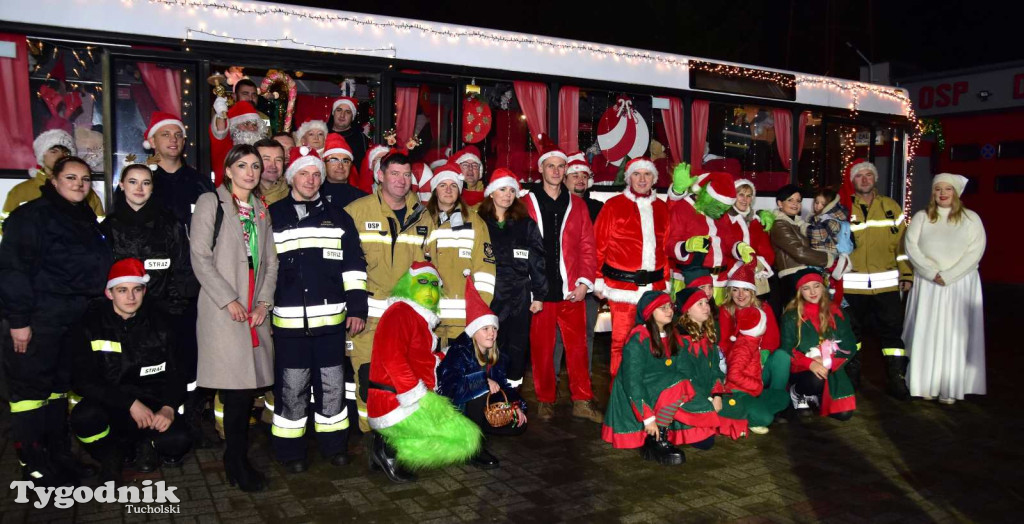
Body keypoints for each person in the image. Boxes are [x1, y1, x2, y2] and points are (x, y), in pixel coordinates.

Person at [1, 156, 112, 485]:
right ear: (53, 180)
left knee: (57, 390)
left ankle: (59, 457)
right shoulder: (31, 216)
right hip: (38, 319)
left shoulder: (82, 216)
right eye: (71, 177)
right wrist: (19, 321)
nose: (79, 184)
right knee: (30, 395)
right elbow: (13, 271)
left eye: (85, 179)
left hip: (71, 319)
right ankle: (35, 466)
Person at [268, 146, 368, 471]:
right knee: (292, 389)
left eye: (316, 174)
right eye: (303, 173)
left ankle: (334, 446)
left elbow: (354, 267)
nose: (310, 180)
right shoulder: (272, 216)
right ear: (291, 177)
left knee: (332, 387)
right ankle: (290, 452)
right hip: (288, 325)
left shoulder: (339, 218)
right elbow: (263, 269)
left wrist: (357, 308)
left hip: (331, 324)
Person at [190, 144, 278, 492]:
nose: (250, 172)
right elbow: (199, 257)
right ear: (228, 170)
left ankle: (236, 458)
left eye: (256, 166)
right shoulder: (211, 202)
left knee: (245, 392)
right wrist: (229, 300)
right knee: (237, 391)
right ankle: (236, 461)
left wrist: (264, 303)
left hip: (254, 310)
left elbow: (271, 262)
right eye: (242, 165)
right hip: (223, 310)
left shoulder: (261, 208)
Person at [69, 259, 191, 482]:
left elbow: (178, 372)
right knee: (84, 418)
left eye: (137, 289)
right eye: (122, 290)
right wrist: (129, 403)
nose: (131, 297)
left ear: (144, 291)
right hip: (110, 402)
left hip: (152, 403)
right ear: (109, 293)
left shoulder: (162, 323)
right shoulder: (91, 325)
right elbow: (83, 380)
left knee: (178, 441)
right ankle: (110, 454)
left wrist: (168, 407)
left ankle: (146, 444)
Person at [367, 263, 482, 483]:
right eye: (422, 282)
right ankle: (390, 449)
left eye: (434, 284)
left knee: (465, 435)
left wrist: (448, 355)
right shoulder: (400, 312)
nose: (429, 289)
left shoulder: (416, 317)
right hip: (394, 402)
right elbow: (392, 358)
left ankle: (382, 444)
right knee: (465, 438)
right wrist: (420, 397)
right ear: (407, 285)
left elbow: (420, 360)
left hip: (401, 398)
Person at [344, 152, 433, 432]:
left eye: (406, 175)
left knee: (403, 379)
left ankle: (398, 437)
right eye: (394, 173)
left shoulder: (423, 216)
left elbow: (430, 268)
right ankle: (369, 435)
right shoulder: (357, 211)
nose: (401, 180)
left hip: (405, 319)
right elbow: (343, 264)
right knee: (367, 379)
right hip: (367, 315)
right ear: (380, 175)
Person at [523, 142, 603, 424]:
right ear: (541, 169)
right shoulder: (525, 203)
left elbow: (587, 246)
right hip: (540, 293)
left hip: (571, 290)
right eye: (551, 166)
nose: (556, 171)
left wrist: (584, 283)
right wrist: (528, 286)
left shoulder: (577, 205)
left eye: (560, 167)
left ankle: (582, 400)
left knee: (578, 348)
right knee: (542, 350)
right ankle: (545, 400)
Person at [903, 174, 987, 404]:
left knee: (954, 335)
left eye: (947, 189)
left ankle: (950, 386)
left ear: (956, 192)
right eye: (938, 189)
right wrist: (931, 273)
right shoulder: (921, 217)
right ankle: (925, 384)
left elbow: (975, 251)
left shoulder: (971, 219)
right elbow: (911, 247)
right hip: (929, 285)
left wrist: (949, 275)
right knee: (926, 332)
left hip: (959, 284)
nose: (942, 193)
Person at [436, 274, 527, 470]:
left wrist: (516, 406)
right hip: (455, 411)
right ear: (474, 331)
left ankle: (480, 429)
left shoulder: (494, 355)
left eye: (494, 328)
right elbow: (449, 387)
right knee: (482, 389)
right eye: (485, 329)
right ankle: (473, 448)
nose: (491, 333)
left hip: (478, 409)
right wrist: (483, 381)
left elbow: (502, 385)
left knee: (517, 423)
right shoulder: (459, 352)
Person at [843, 159, 913, 399]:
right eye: (859, 175)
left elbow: (902, 245)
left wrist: (906, 273)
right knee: (852, 334)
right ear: (852, 180)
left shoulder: (891, 206)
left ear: (875, 179)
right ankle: (851, 380)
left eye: (869, 175)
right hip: (852, 286)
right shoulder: (843, 207)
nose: (864, 179)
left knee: (892, 334)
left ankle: (897, 380)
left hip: (887, 285)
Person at [593, 158, 669, 377]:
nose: (642, 179)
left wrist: (665, 282)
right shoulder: (613, 206)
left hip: (654, 289)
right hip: (622, 289)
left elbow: (664, 250)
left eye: (647, 174)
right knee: (621, 342)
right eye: (637, 174)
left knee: (654, 341)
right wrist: (597, 279)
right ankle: (620, 390)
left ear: (654, 178)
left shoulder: (662, 208)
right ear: (629, 178)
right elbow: (598, 245)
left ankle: (648, 387)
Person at [600, 291, 688, 465]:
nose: (669, 311)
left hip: (658, 388)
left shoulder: (672, 335)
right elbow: (632, 382)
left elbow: (682, 368)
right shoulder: (638, 339)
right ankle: (656, 437)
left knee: (683, 384)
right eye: (662, 308)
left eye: (670, 306)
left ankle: (664, 429)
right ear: (649, 313)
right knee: (679, 382)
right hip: (636, 395)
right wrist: (648, 417)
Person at [477, 169, 546, 389]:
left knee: (518, 344)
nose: (507, 195)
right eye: (502, 189)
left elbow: (537, 259)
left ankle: (512, 393)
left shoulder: (525, 224)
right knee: (489, 342)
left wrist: (539, 295)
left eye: (512, 190)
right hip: (490, 294)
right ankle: (487, 390)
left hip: (519, 294)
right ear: (491, 193)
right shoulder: (479, 222)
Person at [423, 162, 496, 345]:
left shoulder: (475, 222)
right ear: (435, 190)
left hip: (464, 320)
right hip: (429, 317)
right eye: (443, 185)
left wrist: (480, 310)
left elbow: (485, 270)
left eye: (453, 185)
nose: (448, 190)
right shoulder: (422, 221)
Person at [666, 164, 753, 305]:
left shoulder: (721, 214)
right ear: (708, 197)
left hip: (720, 281)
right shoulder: (683, 208)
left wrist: (739, 248)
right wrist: (686, 246)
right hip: (691, 280)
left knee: (717, 317)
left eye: (725, 209)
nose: (721, 212)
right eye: (719, 207)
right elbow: (668, 243)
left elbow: (728, 241)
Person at [779, 268, 858, 419]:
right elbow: (787, 349)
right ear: (799, 291)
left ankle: (817, 396)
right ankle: (798, 392)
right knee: (816, 380)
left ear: (823, 287)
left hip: (831, 369)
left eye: (816, 286)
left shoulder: (837, 312)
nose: (812, 292)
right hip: (803, 369)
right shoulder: (791, 316)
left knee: (844, 415)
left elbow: (850, 345)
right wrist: (810, 363)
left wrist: (830, 362)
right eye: (806, 288)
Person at [719, 264, 789, 398]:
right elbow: (725, 342)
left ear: (752, 291)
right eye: (735, 290)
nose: (740, 295)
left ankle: (776, 397)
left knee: (782, 356)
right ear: (730, 292)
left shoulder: (764, 308)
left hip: (762, 364)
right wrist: (738, 363)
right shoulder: (726, 310)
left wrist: (760, 359)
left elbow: (772, 341)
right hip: (738, 366)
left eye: (745, 289)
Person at [721, 304, 790, 434]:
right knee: (766, 418)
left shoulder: (753, 341)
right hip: (738, 392)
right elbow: (733, 375)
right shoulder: (743, 347)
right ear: (758, 327)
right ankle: (744, 419)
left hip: (752, 391)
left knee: (783, 397)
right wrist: (756, 385)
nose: (766, 326)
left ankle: (751, 411)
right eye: (764, 323)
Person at [3, 129, 104, 218]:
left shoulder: (85, 193)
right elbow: (5, 228)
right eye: (54, 151)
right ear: (41, 155)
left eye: (67, 152)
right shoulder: (20, 192)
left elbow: (99, 228)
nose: (61, 156)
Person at [769, 184, 833, 318]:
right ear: (780, 203)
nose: (795, 204)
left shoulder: (799, 224)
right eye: (790, 200)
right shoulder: (779, 224)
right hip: (792, 278)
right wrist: (828, 259)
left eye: (798, 201)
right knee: (796, 317)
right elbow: (799, 252)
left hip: (803, 275)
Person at [726, 179, 775, 298]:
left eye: (749, 196)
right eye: (741, 194)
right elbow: (724, 249)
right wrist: (740, 270)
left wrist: (758, 266)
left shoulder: (757, 221)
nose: (745, 199)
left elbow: (766, 251)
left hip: (755, 274)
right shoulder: (725, 219)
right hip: (730, 276)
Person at [807, 186, 854, 304]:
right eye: (816, 202)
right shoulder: (817, 217)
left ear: (830, 205)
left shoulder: (833, 220)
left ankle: (835, 309)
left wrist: (803, 227)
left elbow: (820, 234)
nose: (818, 206)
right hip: (821, 258)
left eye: (822, 204)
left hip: (828, 258)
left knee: (828, 290)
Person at [210, 101, 268, 187]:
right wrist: (221, 115)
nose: (252, 128)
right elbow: (220, 133)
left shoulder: (263, 150)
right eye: (246, 124)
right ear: (234, 127)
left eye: (255, 125)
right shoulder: (226, 148)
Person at [321, 132, 367, 209]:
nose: (340, 166)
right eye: (334, 160)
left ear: (351, 165)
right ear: (324, 164)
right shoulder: (314, 196)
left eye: (345, 161)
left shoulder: (362, 199)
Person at [327, 96, 369, 172]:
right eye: (339, 110)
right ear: (333, 113)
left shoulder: (361, 139)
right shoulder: (322, 135)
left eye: (348, 112)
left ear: (352, 117)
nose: (342, 115)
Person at [254, 138, 290, 205]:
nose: (273, 165)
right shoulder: (244, 195)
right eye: (266, 159)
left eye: (278, 160)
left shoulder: (293, 194)